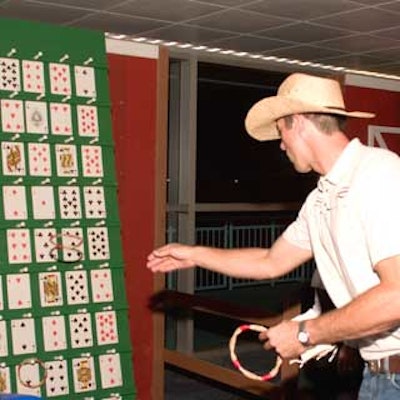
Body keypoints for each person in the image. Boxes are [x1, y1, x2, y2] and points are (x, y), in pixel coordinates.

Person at [147, 72, 400, 399]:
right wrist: (194, 254)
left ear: (298, 123)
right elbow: (270, 261)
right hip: (379, 375)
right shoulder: (322, 198)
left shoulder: (379, 174)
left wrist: (307, 333)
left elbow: (395, 296)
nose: (281, 145)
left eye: (281, 131)